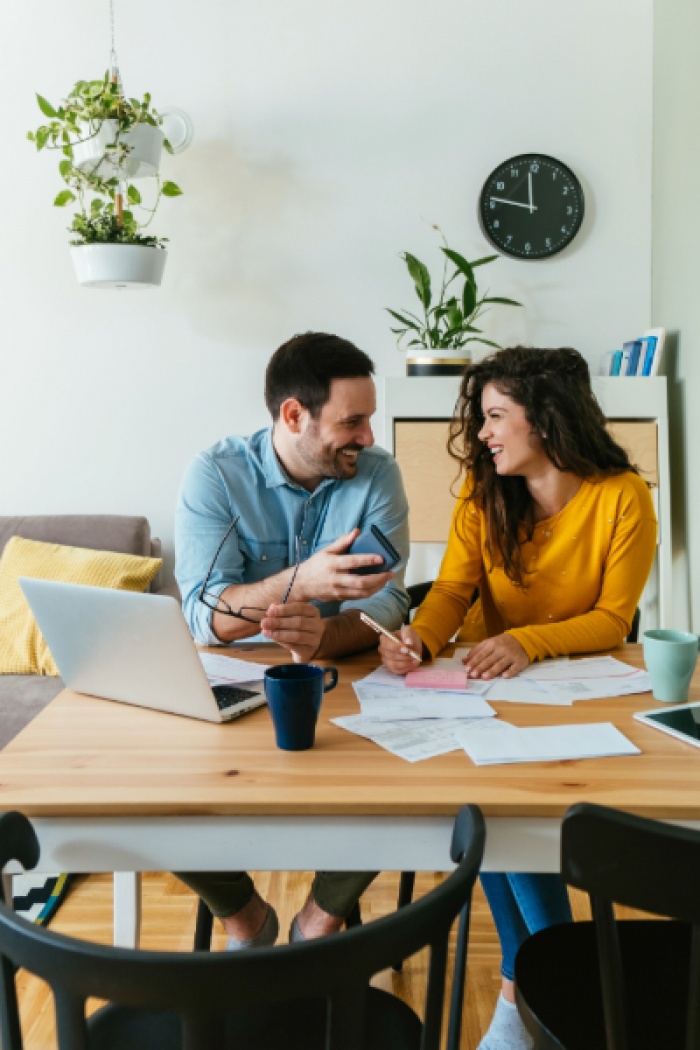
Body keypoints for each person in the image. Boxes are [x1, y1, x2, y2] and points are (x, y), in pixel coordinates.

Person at [378, 345, 657, 1050]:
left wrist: (530, 641)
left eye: (496, 416)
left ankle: (525, 985)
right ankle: (547, 989)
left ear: (549, 420)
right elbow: (451, 591)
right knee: (494, 808)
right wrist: (420, 639)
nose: (483, 434)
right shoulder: (484, 493)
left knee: (502, 816)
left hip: (578, 692)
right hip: (484, 689)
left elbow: (615, 618)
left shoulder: (623, 496)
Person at [173, 331, 409, 950]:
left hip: (341, 677)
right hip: (232, 678)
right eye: (352, 422)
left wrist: (323, 636)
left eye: (369, 419)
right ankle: (245, 917)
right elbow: (204, 613)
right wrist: (299, 583)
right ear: (293, 415)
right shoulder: (217, 474)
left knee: (405, 780)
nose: (368, 438)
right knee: (155, 788)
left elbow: (388, 600)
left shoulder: (377, 476)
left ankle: (318, 924)